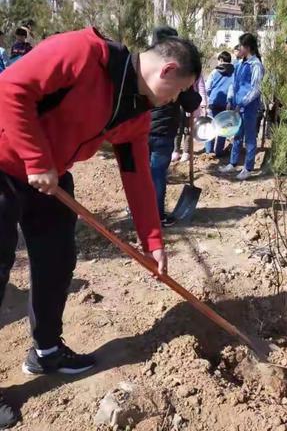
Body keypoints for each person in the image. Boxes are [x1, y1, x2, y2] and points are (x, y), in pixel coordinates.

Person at [0, 27, 201, 427]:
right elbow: (10, 89)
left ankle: (46, 351)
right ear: (168, 70)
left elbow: (138, 175)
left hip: (51, 179)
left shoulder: (137, 116)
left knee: (57, 262)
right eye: (179, 91)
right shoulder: (84, 54)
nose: (175, 101)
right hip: (5, 162)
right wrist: (36, 158)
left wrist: (153, 241)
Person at [148, 26, 202, 227]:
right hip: (162, 131)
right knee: (158, 174)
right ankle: (158, 215)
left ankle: (138, 209)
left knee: (144, 174)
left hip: (139, 130)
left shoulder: (144, 63)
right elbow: (190, 102)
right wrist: (191, 92)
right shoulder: (175, 70)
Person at [220, 33, 264, 180]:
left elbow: (256, 89)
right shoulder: (239, 64)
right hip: (237, 106)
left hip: (249, 108)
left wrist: (242, 103)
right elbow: (234, 84)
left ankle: (248, 168)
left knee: (250, 138)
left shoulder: (256, 65)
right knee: (237, 135)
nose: (239, 48)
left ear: (248, 47)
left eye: (241, 45)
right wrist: (230, 99)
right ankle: (233, 163)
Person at [205, 50, 235, 157]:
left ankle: (209, 151)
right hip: (225, 105)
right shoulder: (233, 73)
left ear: (221, 60)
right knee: (223, 128)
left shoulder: (214, 72)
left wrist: (210, 95)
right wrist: (229, 101)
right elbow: (232, 89)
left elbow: (208, 87)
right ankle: (219, 151)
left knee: (211, 126)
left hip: (213, 101)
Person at [172, 74, 207, 162]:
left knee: (188, 129)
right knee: (178, 129)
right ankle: (176, 151)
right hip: (178, 104)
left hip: (191, 105)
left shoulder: (197, 73)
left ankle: (186, 152)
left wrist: (203, 105)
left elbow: (201, 88)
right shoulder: (179, 70)